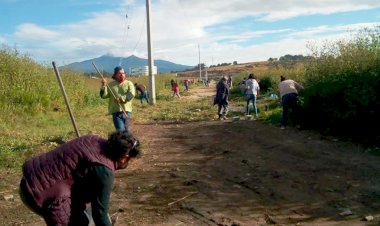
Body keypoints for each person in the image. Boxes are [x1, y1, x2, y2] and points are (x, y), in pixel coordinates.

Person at [19, 131, 141, 226]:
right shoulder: (104, 171)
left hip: (29, 180)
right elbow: (100, 216)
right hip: (37, 193)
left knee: (83, 216)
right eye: (130, 160)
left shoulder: (94, 140)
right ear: (125, 157)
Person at [100, 66, 136, 132]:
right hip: (116, 112)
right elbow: (103, 96)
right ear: (115, 75)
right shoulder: (110, 85)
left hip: (127, 112)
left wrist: (121, 99)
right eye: (119, 73)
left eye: (123, 73)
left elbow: (131, 94)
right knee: (120, 131)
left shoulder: (129, 83)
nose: (122, 75)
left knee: (128, 131)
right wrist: (103, 85)